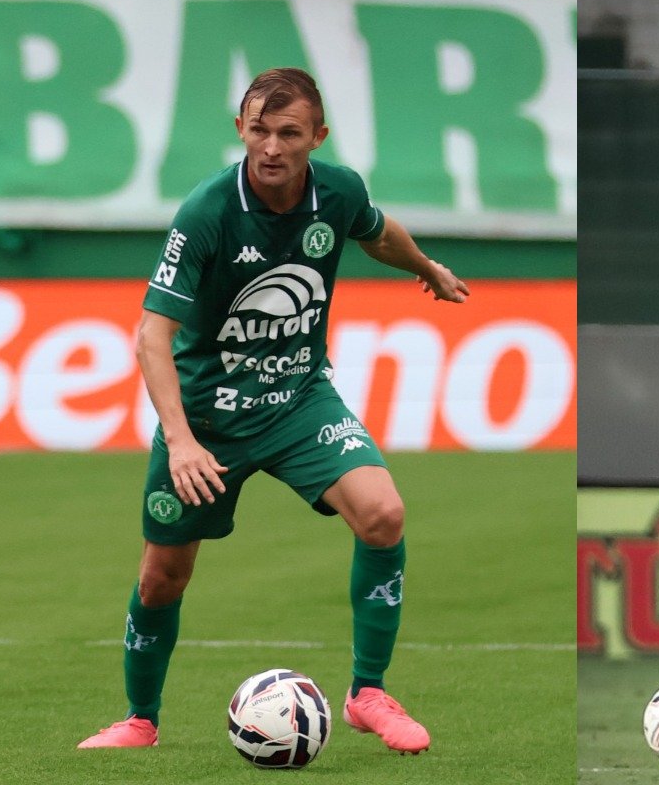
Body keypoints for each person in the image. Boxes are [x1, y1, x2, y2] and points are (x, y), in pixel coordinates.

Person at [78, 67, 468, 754]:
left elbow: (374, 231)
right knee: (162, 576)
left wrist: (424, 266)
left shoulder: (337, 190)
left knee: (384, 513)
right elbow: (150, 337)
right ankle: (140, 718)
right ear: (240, 130)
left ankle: (367, 693)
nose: (273, 147)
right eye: (259, 130)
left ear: (317, 137)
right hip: (205, 418)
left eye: (290, 133)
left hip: (297, 399)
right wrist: (181, 440)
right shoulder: (207, 212)